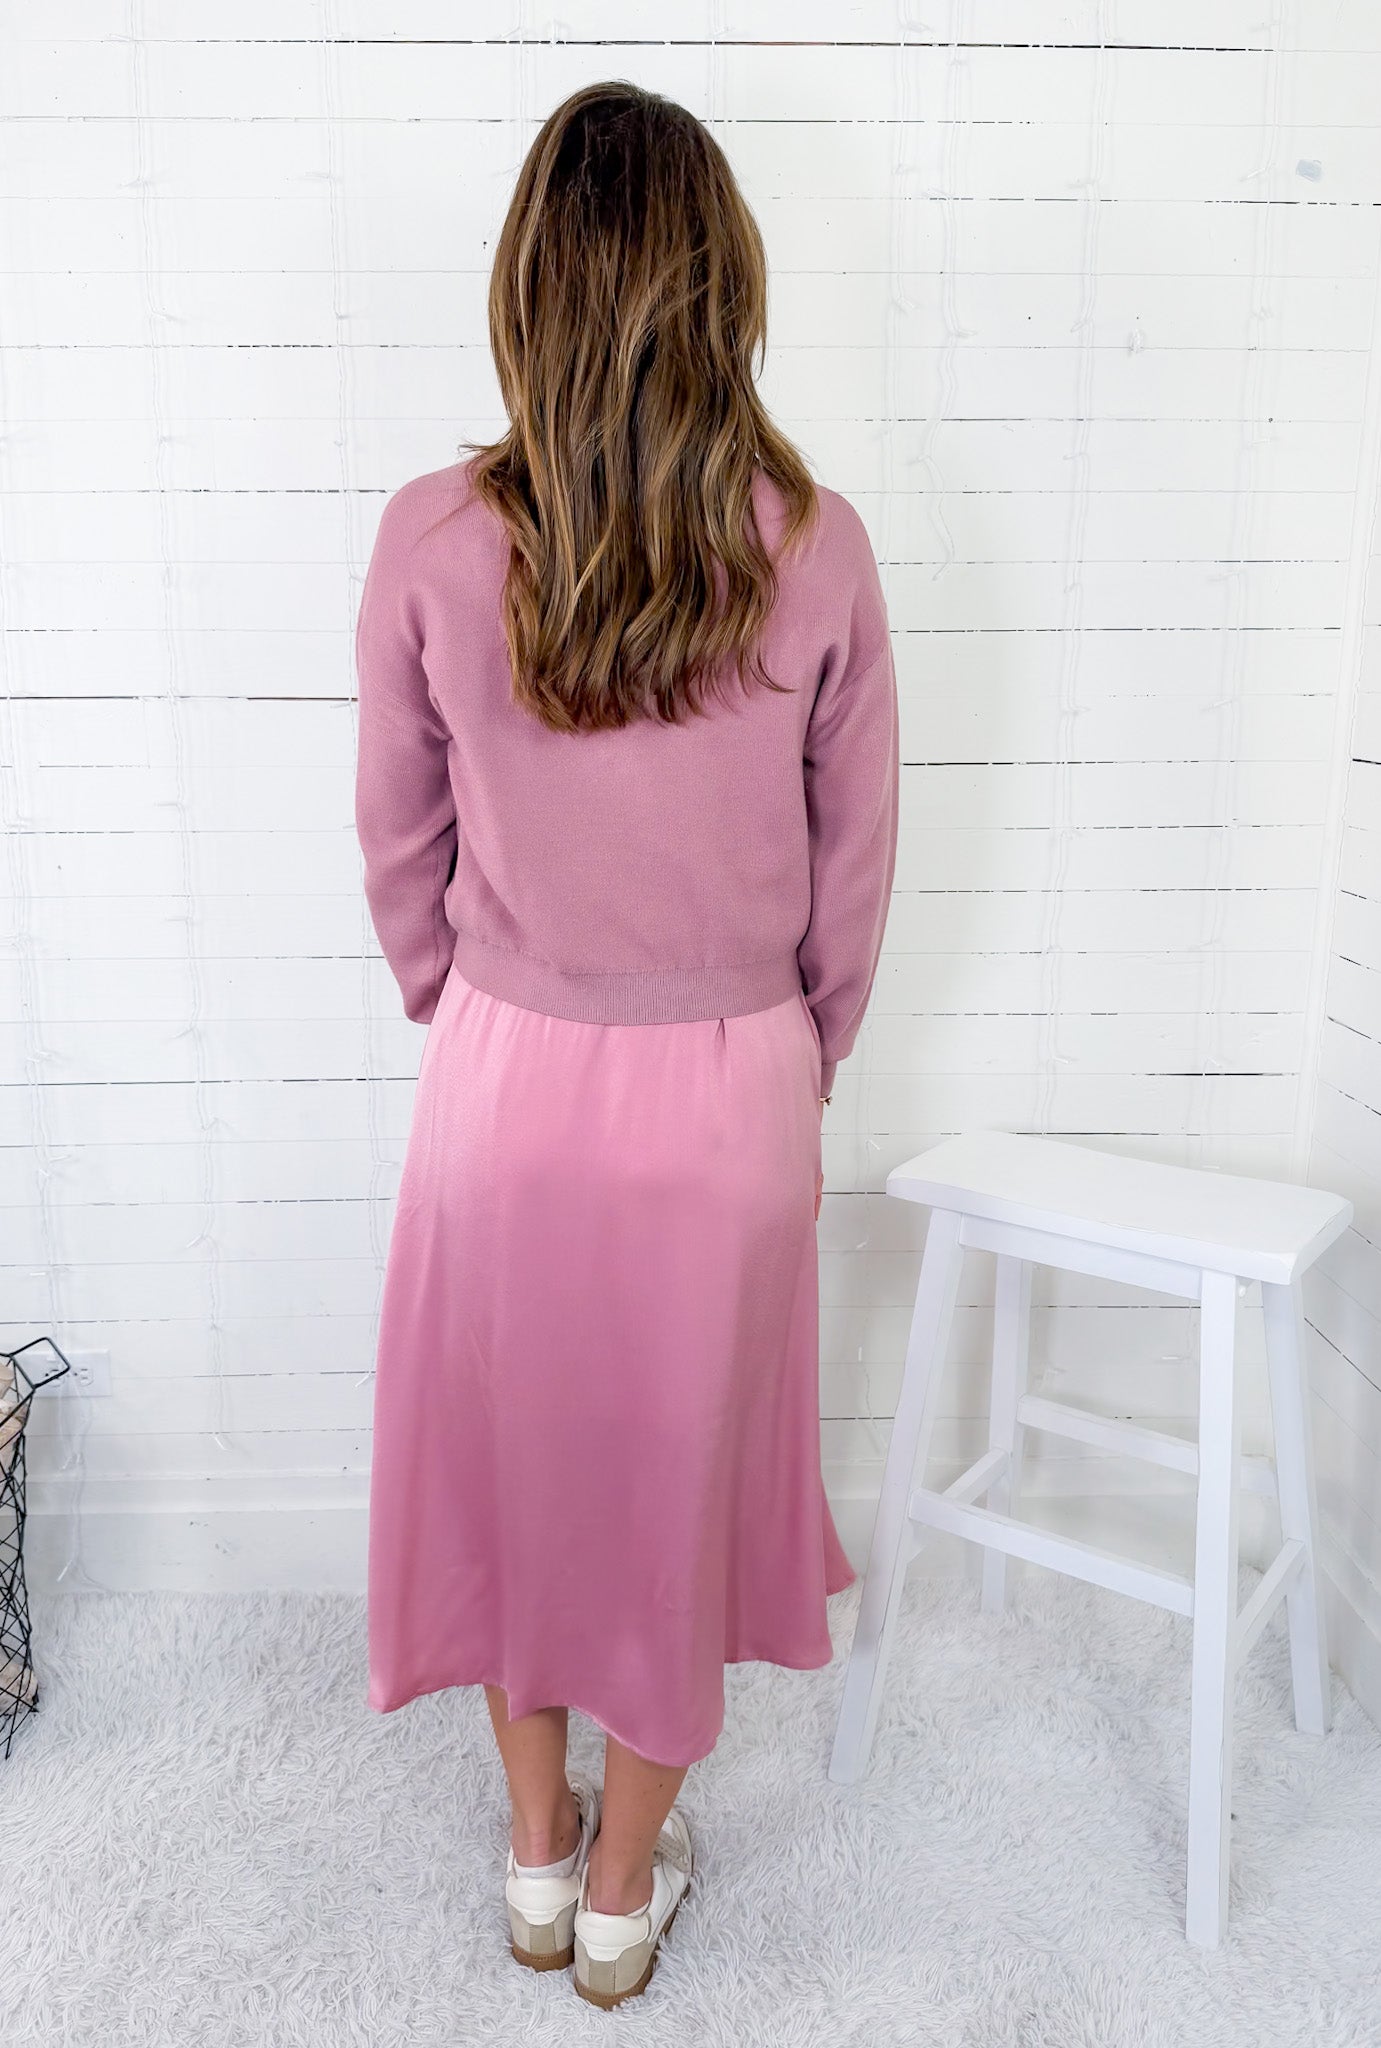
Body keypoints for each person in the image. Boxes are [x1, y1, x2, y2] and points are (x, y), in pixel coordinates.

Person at [353, 80, 899, 2010]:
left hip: (505, 1082)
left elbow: (397, 841)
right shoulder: (810, 546)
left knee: (513, 1474)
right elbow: (855, 874)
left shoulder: (433, 539)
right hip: (727, 1087)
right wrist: (795, 1051)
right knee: (678, 1495)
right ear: (719, 283)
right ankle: (617, 1889)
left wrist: (478, 1006)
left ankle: (529, 1860)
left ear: (531, 289)